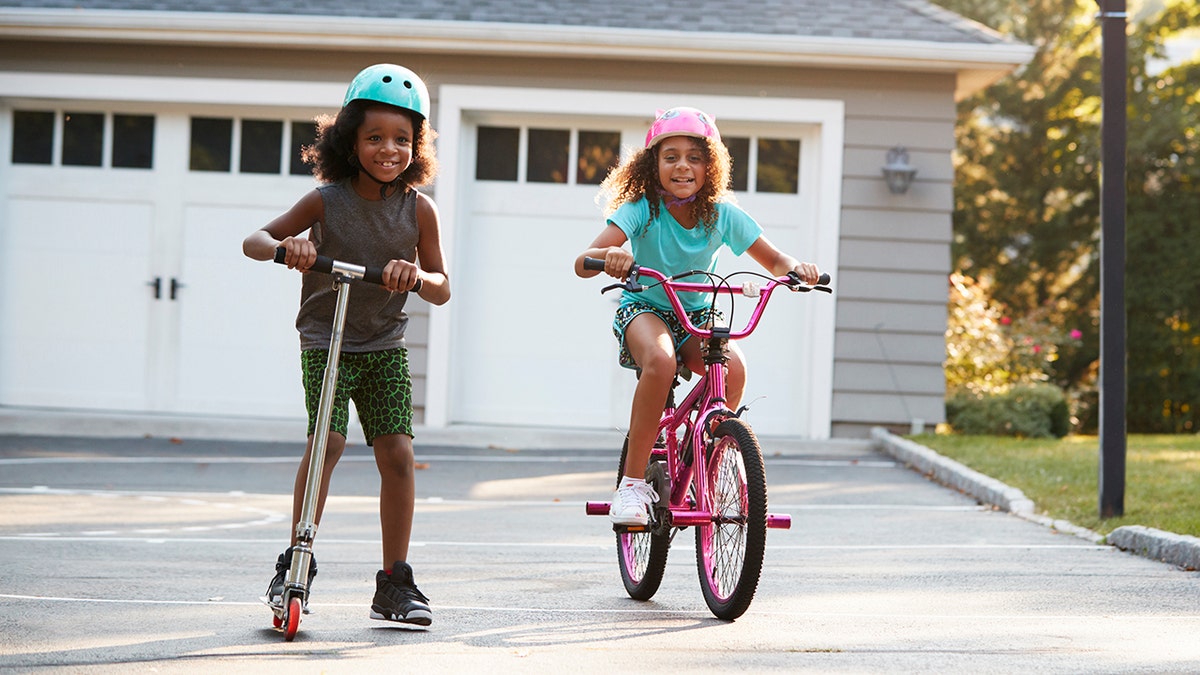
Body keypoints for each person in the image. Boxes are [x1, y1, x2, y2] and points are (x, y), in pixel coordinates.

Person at [242, 63, 450, 626]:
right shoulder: (325, 202)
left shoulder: (418, 210)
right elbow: (254, 241)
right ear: (349, 141)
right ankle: (296, 565)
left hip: (384, 343)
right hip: (326, 341)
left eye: (402, 139)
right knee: (328, 442)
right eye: (375, 137)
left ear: (417, 145)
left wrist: (414, 275)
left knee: (398, 454)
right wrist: (292, 249)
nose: (389, 149)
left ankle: (395, 583)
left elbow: (443, 287)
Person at [574, 107, 820, 526]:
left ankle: (706, 448)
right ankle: (632, 486)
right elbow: (584, 261)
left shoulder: (722, 214)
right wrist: (610, 255)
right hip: (645, 308)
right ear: (653, 165)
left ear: (711, 165)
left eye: (694, 156)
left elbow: (775, 258)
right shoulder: (642, 209)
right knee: (661, 360)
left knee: (734, 366)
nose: (682, 166)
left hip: (697, 311)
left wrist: (797, 269)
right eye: (670, 156)